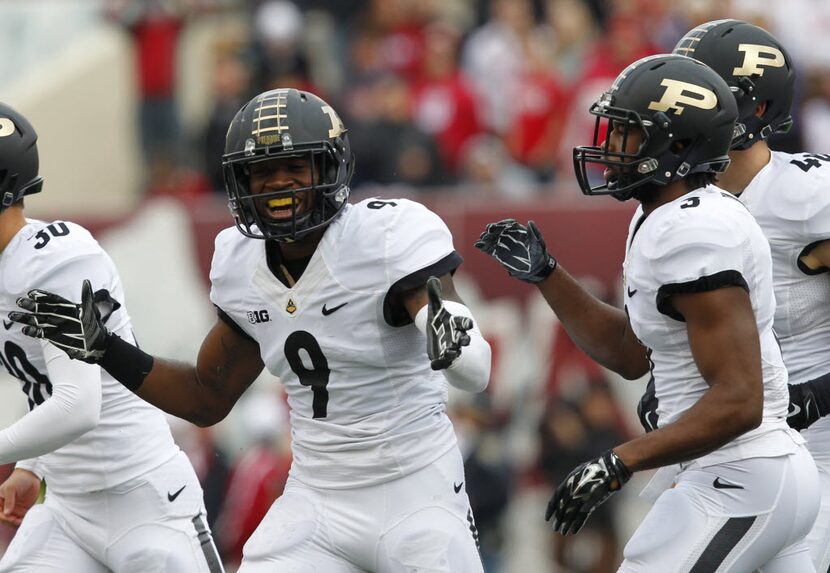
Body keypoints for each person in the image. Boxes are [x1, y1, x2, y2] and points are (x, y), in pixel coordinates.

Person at [10, 88, 492, 572]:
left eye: (293, 169)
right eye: (262, 172)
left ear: (329, 169)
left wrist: (457, 345)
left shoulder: (387, 237)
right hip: (318, 499)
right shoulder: (240, 263)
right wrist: (109, 350)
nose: (277, 185)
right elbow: (206, 397)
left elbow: (473, 367)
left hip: (416, 490)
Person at [475, 54, 820, 571]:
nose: (609, 146)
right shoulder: (665, 216)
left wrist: (621, 461)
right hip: (758, 473)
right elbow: (633, 352)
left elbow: (740, 399)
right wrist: (548, 273)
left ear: (677, 147)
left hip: (739, 475)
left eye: (626, 134)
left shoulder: (691, 230)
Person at [0, 103, 222, 572]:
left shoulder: (54, 258)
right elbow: (44, 382)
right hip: (66, 505)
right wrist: (32, 467)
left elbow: (81, 403)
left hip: (142, 496)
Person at [669, 19, 830, 571]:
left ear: (754, 110)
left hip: (821, 451)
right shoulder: (677, 201)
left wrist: (820, 392)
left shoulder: (807, 196)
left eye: (699, 94)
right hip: (729, 448)